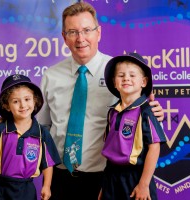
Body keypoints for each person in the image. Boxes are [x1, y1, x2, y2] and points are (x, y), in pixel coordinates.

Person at [36, 2, 164, 200]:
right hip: (60, 177)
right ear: (64, 37)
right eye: (72, 32)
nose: (81, 38)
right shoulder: (50, 76)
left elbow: (139, 116)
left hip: (105, 178)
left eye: (87, 30)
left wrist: (154, 110)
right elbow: (43, 126)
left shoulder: (119, 75)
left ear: (99, 33)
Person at [0, 74, 61, 200]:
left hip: (26, 188)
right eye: (16, 101)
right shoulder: (1, 130)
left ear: (35, 100)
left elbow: (48, 164)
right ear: (7, 105)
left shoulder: (42, 133)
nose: (23, 105)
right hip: (1, 187)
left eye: (27, 99)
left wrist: (46, 186)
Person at [98, 52, 167, 200]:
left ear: (144, 81)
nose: (126, 78)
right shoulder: (112, 112)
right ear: (114, 82)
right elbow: (111, 149)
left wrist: (143, 184)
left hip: (135, 177)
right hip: (111, 176)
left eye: (132, 75)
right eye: (121, 75)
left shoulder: (147, 111)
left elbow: (154, 148)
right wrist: (105, 186)